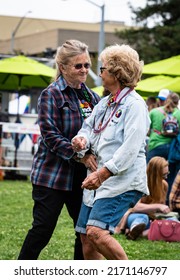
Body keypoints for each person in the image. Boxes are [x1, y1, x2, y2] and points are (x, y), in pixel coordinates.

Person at [18, 39, 100, 260]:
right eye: (78, 66)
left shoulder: (92, 97)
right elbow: (50, 135)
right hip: (51, 177)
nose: (84, 70)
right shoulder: (50, 94)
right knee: (42, 230)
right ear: (63, 67)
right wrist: (79, 155)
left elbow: (99, 131)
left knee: (83, 232)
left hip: (81, 179)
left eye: (86, 65)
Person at [71, 44, 150, 260]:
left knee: (97, 233)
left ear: (117, 72)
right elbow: (89, 129)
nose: (99, 73)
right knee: (86, 239)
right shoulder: (105, 103)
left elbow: (131, 148)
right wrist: (81, 141)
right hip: (99, 181)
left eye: (103, 69)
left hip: (121, 181)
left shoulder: (135, 105)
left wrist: (102, 174)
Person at [116, 156, 170, 240]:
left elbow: (161, 210)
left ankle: (140, 233)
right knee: (142, 218)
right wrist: (158, 206)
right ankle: (136, 230)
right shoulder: (141, 183)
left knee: (172, 221)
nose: (166, 177)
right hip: (135, 216)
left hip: (153, 219)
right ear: (155, 174)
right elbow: (135, 207)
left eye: (167, 174)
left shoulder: (164, 185)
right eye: (163, 175)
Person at [146, 92, 180, 202]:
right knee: (170, 178)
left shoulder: (154, 112)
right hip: (171, 150)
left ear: (166, 100)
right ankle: (166, 203)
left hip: (155, 147)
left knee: (150, 176)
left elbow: (146, 130)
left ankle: (149, 200)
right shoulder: (179, 113)